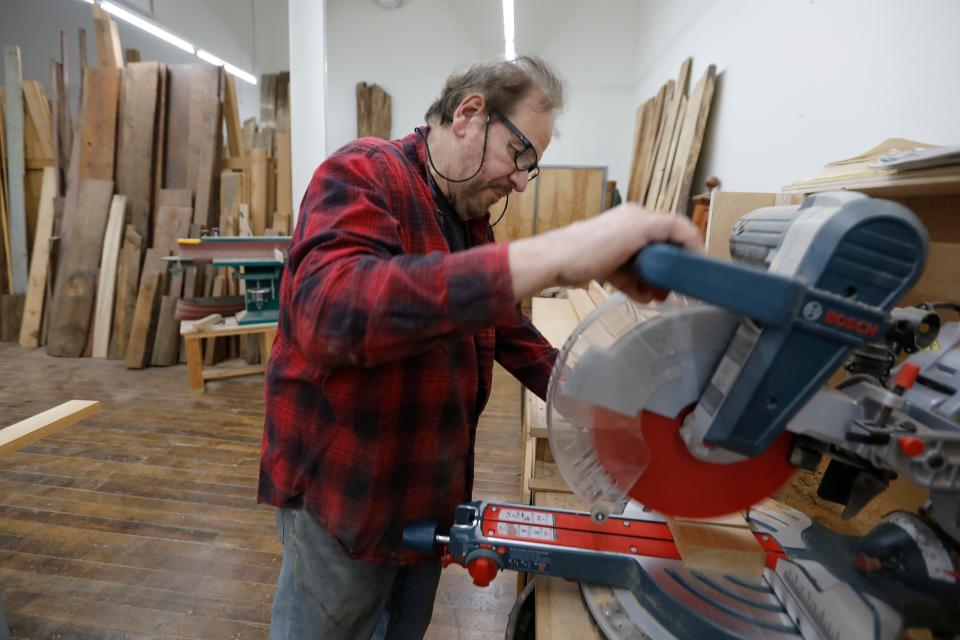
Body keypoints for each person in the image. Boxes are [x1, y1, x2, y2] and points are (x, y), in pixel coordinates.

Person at [259, 55, 702, 640]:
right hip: (348, 492)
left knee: (401, 628)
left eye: (532, 168)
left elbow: (503, 326)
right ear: (470, 113)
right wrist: (555, 253)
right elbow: (331, 312)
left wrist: (605, 407)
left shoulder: (468, 216)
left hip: (425, 492)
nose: (521, 180)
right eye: (520, 155)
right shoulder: (364, 171)